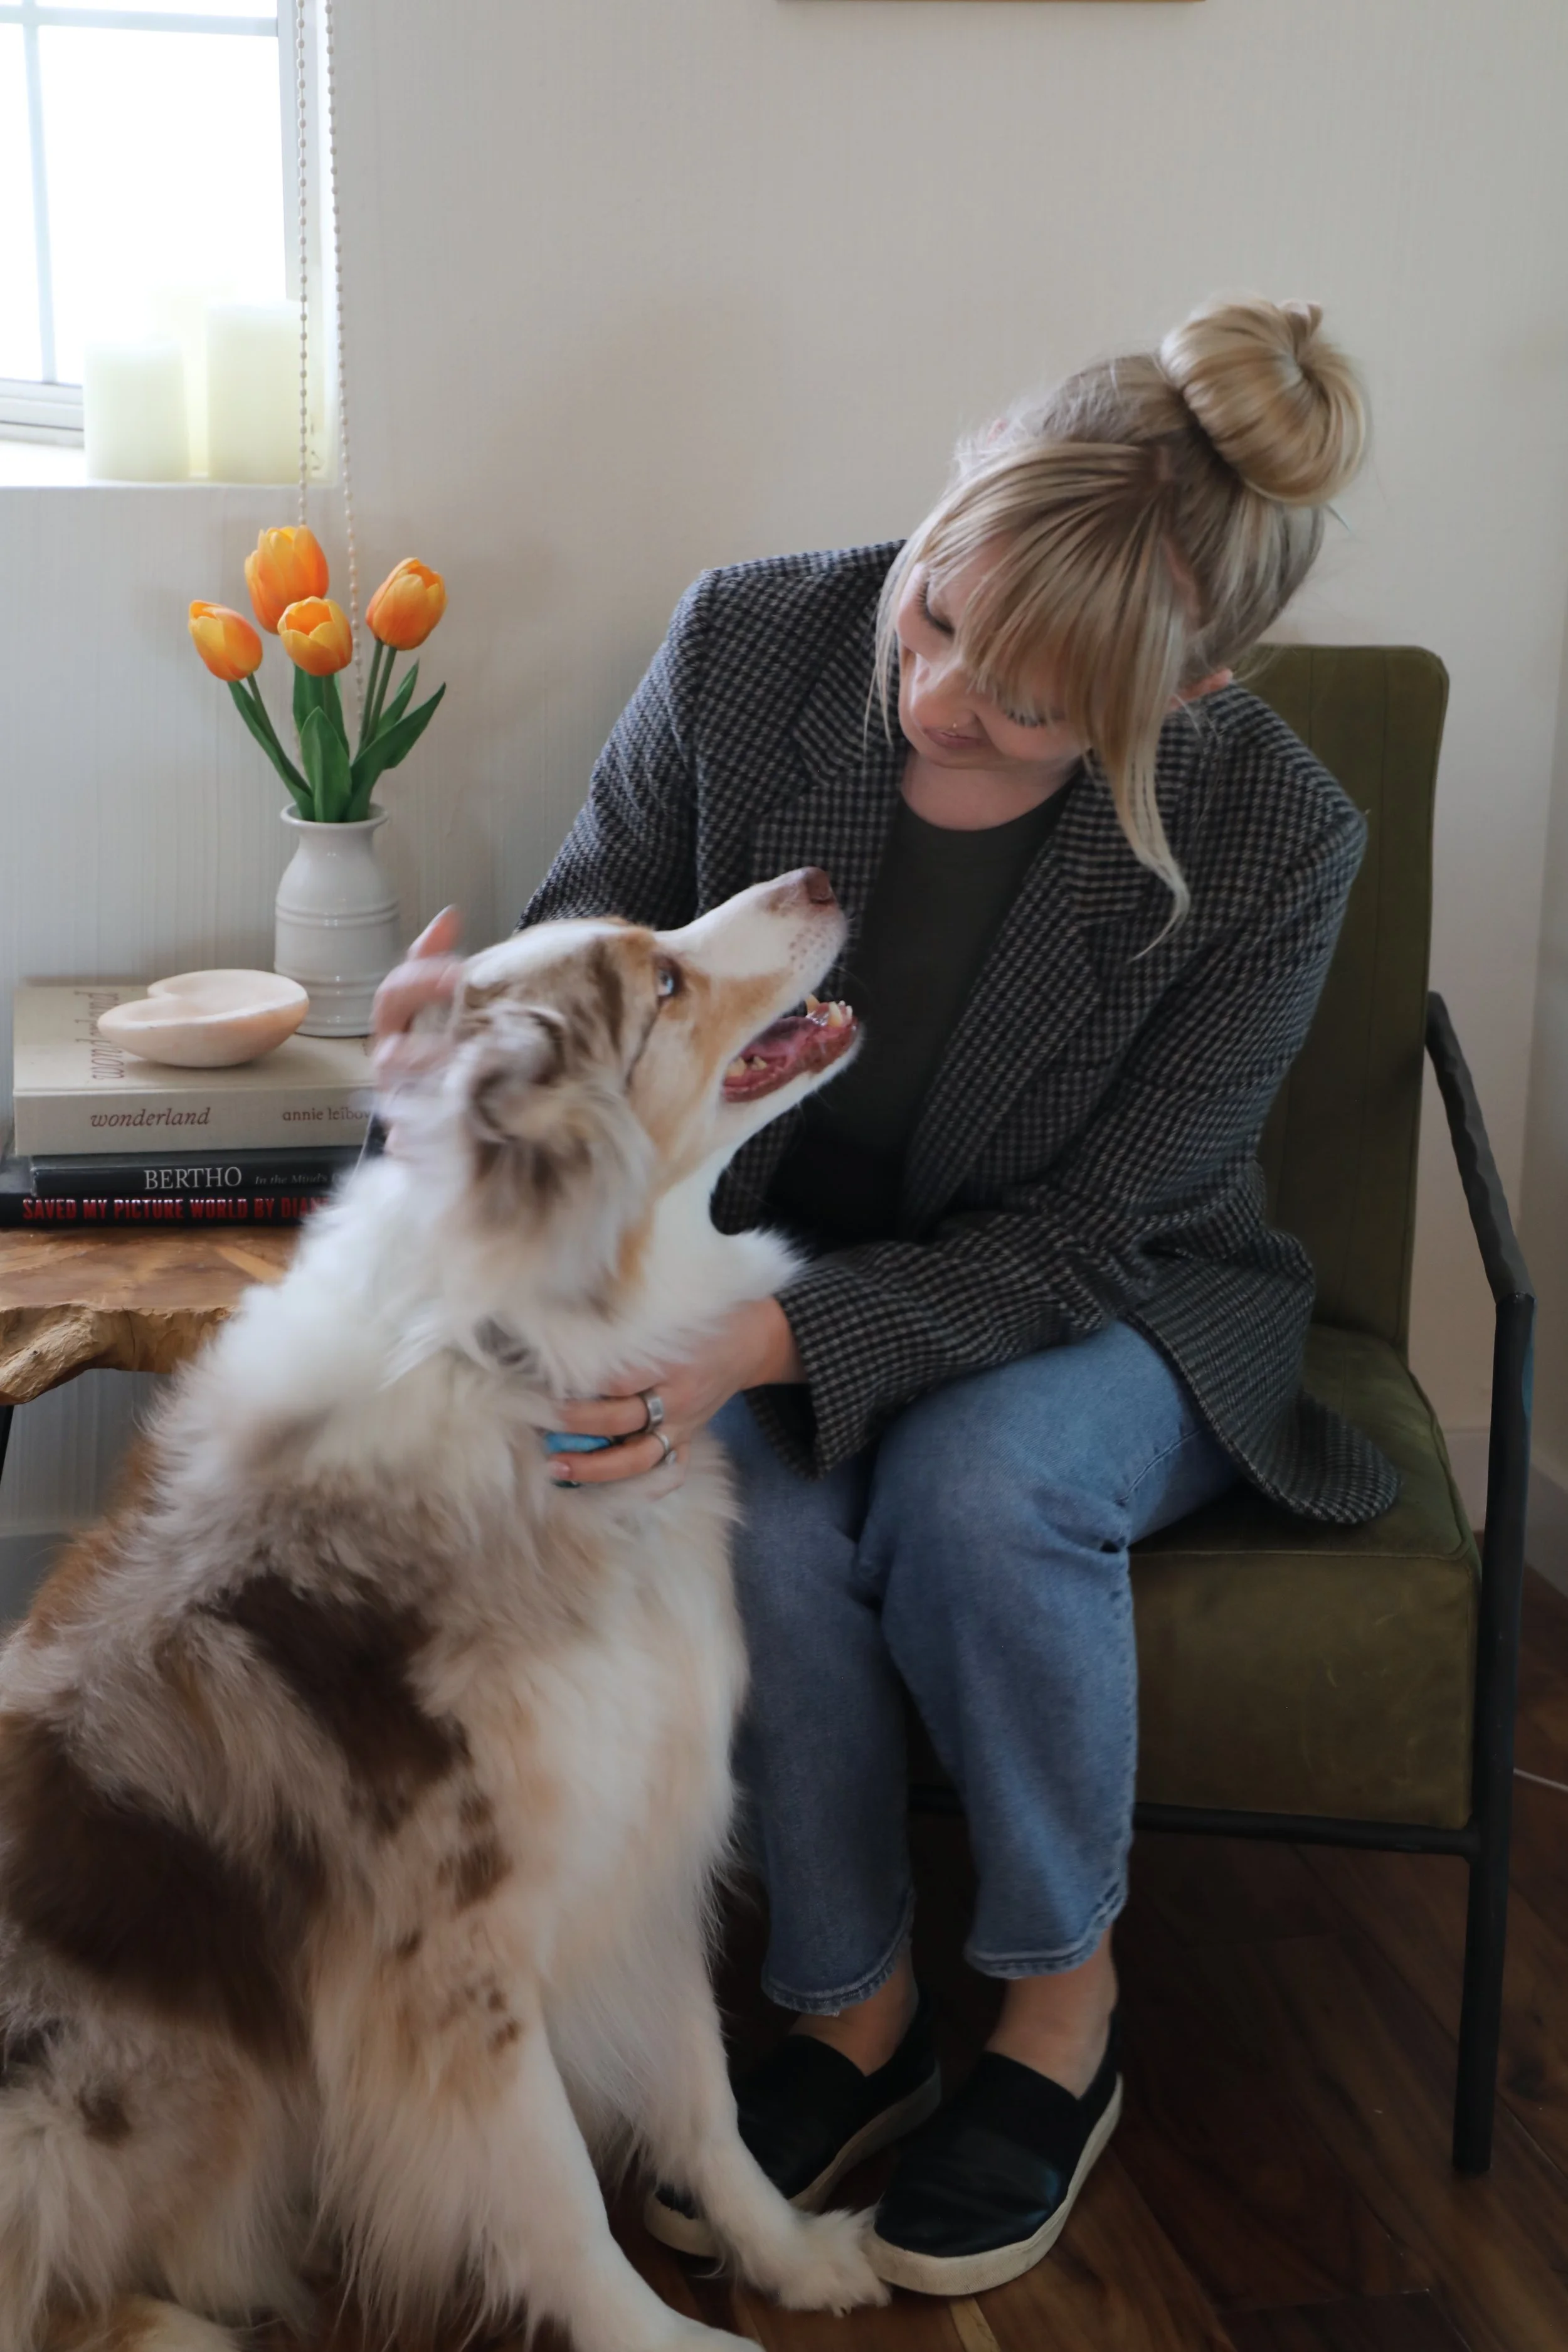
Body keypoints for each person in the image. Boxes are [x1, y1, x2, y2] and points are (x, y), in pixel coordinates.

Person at [373, 294, 1394, 2296]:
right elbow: (601, 943)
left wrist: (760, 1344)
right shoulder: (751, 643)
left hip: (1119, 1294)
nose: (941, 698)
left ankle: (1054, 2018)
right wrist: (456, 1052)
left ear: (1194, 687)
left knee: (977, 1482)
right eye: (937, 617)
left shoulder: (1274, 828)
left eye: (1029, 705)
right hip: (775, 1253)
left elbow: (1104, 1223)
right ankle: (847, 2007)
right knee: (751, 1505)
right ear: (934, 518)